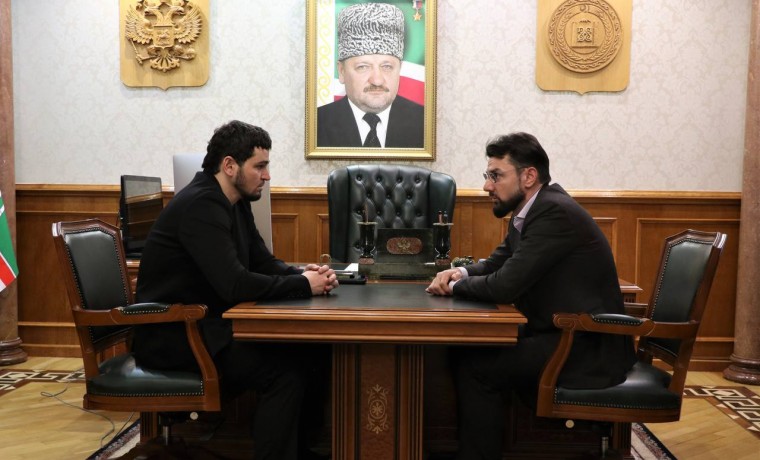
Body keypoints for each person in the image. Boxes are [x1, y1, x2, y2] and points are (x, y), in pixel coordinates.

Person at [133, 120, 338, 460]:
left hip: (207, 328)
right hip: (176, 337)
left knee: (311, 351)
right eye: (260, 166)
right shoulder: (201, 205)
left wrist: (303, 274)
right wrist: (302, 285)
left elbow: (262, 261)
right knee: (286, 371)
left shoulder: (234, 201)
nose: (267, 176)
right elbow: (234, 284)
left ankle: (299, 451)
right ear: (229, 166)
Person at [426, 132, 636, 460]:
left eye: (496, 176)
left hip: (583, 347)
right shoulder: (533, 209)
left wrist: (451, 288)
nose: (487, 186)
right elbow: (496, 263)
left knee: (474, 364)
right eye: (487, 176)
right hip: (562, 335)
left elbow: (504, 285)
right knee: (467, 349)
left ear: (528, 176)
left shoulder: (553, 212)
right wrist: (460, 273)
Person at [317, 2, 424, 148]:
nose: (377, 81)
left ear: (399, 69)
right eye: (363, 67)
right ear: (342, 71)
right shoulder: (316, 124)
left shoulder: (426, 123)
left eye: (387, 67)